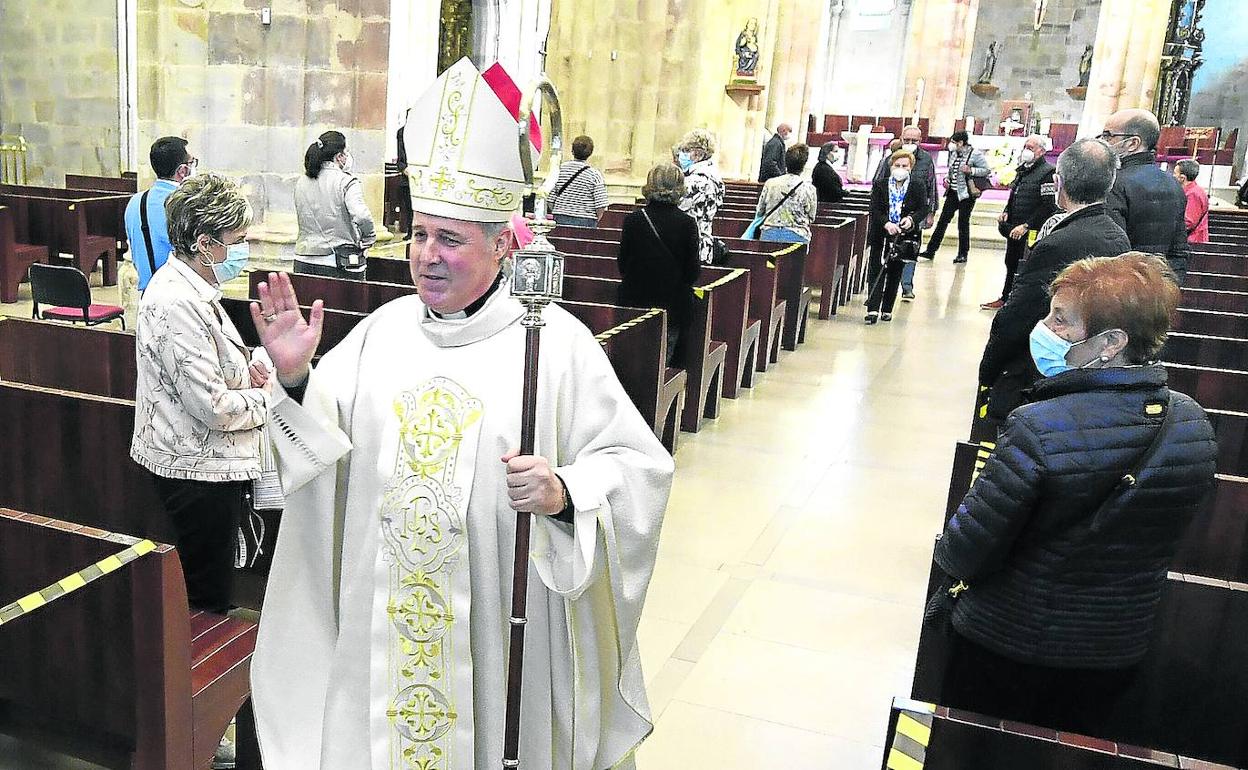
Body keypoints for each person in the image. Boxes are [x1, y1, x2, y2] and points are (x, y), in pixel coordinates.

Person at [248, 58, 674, 770]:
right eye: (418, 235)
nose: (426, 257)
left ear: (503, 244)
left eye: (450, 239)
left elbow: (638, 470)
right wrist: (296, 380)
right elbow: (318, 463)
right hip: (381, 637)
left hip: (506, 648)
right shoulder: (380, 335)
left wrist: (566, 494)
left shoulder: (555, 346)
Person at [934, 252, 1217, 733]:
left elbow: (963, 552)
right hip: (1115, 651)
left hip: (1008, 644)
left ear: (1111, 343)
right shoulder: (1191, 424)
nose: (1043, 328)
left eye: (1060, 321)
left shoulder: (1037, 426)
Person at [129, 173, 266, 770]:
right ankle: (197, 726)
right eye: (236, 236)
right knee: (206, 598)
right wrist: (271, 398)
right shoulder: (174, 299)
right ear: (207, 240)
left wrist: (252, 369)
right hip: (194, 468)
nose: (242, 247)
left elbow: (215, 374)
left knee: (209, 587)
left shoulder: (194, 287)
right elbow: (210, 407)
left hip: (203, 461)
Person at [978, 138, 1130, 422]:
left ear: (1059, 183)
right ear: (1109, 184)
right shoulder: (1118, 235)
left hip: (1043, 375)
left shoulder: (1059, 242)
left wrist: (989, 369)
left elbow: (1020, 313)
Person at [617, 164, 700, 365]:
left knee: (632, 357)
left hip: (634, 302)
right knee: (663, 360)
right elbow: (692, 273)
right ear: (679, 188)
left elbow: (622, 264)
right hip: (671, 306)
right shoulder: (687, 224)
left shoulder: (633, 220)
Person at [1100, 108, 1191, 280]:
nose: (1103, 142)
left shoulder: (1114, 183)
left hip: (1122, 288)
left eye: (1108, 135)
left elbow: (1111, 249)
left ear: (1133, 143)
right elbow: (1179, 251)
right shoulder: (1173, 184)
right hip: (1156, 288)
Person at [982, 135, 1058, 310]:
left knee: (1023, 266)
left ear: (1041, 151)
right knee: (1011, 262)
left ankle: (1016, 302)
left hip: (1030, 230)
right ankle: (1006, 297)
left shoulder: (1047, 172)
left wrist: (1027, 225)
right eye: (1025, 146)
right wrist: (1006, 212)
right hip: (1014, 226)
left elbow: (1048, 205)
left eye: (1031, 148)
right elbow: (1014, 194)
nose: (1026, 151)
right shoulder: (1022, 169)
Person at [294, 130, 377, 280]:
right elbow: (361, 215)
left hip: (302, 261)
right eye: (346, 152)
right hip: (337, 262)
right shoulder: (346, 181)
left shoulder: (301, 181)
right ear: (339, 156)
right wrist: (368, 239)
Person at [124, 136, 197, 292]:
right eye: (192, 163)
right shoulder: (187, 205)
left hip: (147, 293)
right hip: (180, 294)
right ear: (182, 171)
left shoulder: (135, 202)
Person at [865, 149, 929, 324]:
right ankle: (872, 308)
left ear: (911, 168)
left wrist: (911, 219)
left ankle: (887, 309)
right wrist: (886, 223)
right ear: (891, 166)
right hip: (882, 232)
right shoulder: (880, 184)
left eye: (904, 166)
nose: (900, 168)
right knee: (876, 269)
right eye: (897, 165)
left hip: (903, 235)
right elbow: (875, 208)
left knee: (895, 272)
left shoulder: (917, 185)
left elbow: (924, 208)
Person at [874, 125, 937, 300]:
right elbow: (877, 183)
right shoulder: (890, 159)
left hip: (912, 216)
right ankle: (881, 288)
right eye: (907, 140)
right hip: (889, 216)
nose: (910, 143)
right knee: (885, 255)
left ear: (920, 141)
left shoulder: (926, 160)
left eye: (914, 141)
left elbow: (931, 186)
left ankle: (907, 286)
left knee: (909, 250)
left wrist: (930, 212)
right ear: (901, 139)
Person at [921, 130, 991, 264]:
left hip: (966, 194)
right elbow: (951, 170)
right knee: (942, 222)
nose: (951, 144)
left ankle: (963, 253)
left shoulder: (975, 154)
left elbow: (986, 170)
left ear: (961, 143)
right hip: (953, 192)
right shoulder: (953, 153)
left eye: (953, 142)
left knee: (963, 224)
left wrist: (972, 170)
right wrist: (948, 179)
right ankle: (930, 250)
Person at [676, 128, 726, 264]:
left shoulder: (696, 181)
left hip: (688, 245)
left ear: (697, 154)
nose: (681, 155)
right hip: (704, 242)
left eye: (685, 151)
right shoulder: (714, 176)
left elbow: (679, 211)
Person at [756, 144, 818, 243]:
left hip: (769, 233)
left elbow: (760, 210)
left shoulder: (770, 183)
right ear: (803, 165)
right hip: (797, 235)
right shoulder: (809, 188)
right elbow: (811, 216)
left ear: (786, 162)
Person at [549, 134, 609, 228]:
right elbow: (601, 204)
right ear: (590, 153)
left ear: (572, 151)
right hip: (586, 219)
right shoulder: (594, 175)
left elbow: (550, 198)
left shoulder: (560, 170)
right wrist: (596, 219)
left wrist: (559, 211)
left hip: (561, 216)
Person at [1174, 159, 1209, 244]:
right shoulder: (1193, 190)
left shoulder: (1193, 194)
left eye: (1175, 173)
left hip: (1193, 242)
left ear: (1182, 178)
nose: (1172, 175)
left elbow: (1188, 222)